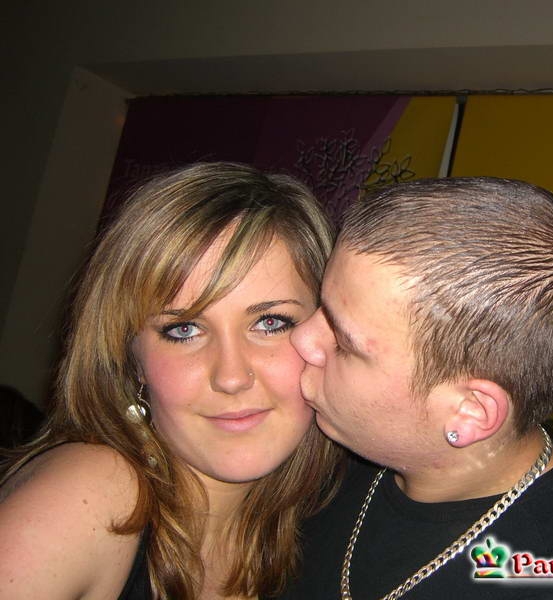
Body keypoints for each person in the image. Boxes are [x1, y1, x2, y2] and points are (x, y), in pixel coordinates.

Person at [282, 177, 553, 599]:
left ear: (469, 412)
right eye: (322, 305)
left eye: (343, 342)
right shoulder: (321, 453)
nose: (302, 338)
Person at [0, 162, 342, 600]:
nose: (231, 377)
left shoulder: (333, 519)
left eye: (270, 322)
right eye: (184, 330)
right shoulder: (90, 494)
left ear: (328, 334)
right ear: (132, 359)